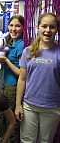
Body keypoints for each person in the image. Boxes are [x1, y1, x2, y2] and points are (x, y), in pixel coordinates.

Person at [15, 13, 60, 143]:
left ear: (57, 29)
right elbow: (22, 80)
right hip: (29, 105)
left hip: (52, 107)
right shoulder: (27, 52)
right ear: (38, 27)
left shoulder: (58, 53)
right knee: (26, 140)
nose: (47, 30)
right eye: (44, 26)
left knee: (45, 141)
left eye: (52, 27)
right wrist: (18, 105)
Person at [0, 15, 24, 143]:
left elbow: (21, 73)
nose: (13, 29)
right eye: (11, 25)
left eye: (17, 26)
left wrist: (6, 60)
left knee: (11, 121)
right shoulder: (11, 44)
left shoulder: (21, 45)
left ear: (23, 28)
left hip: (14, 87)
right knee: (2, 117)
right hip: (5, 85)